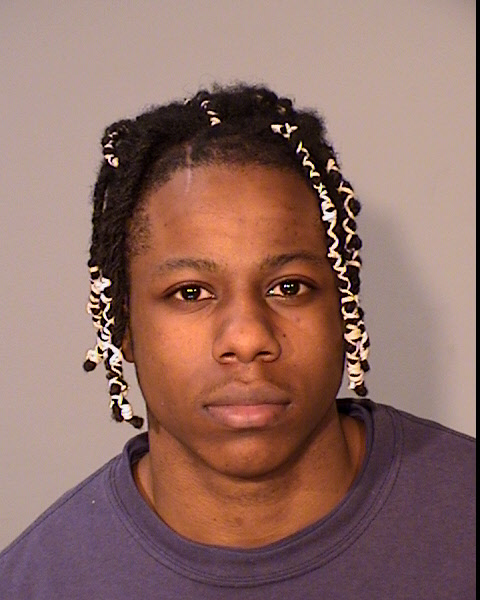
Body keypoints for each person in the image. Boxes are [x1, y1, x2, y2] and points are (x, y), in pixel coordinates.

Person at [0, 84, 474, 599]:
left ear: (344, 309)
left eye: (288, 288)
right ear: (123, 326)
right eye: (190, 292)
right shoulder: (37, 583)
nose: (248, 339)